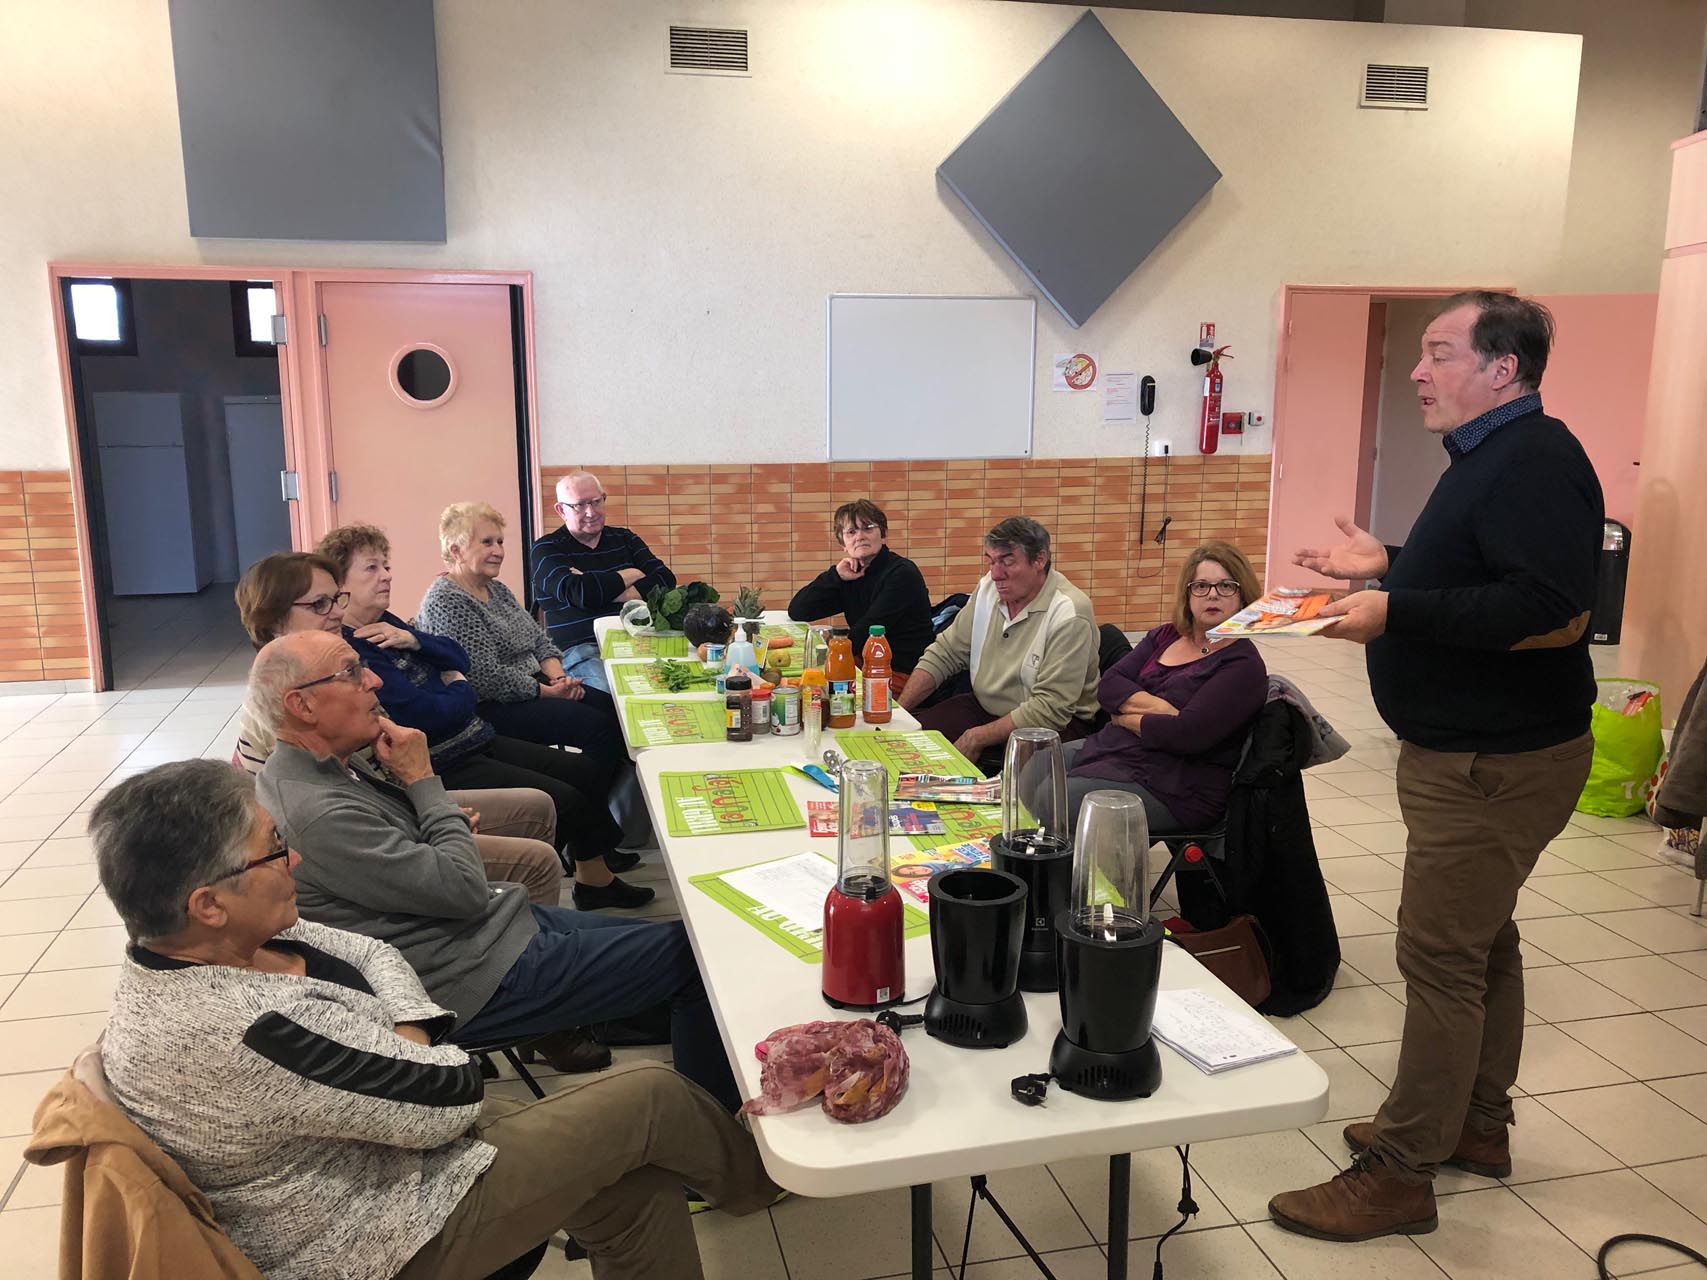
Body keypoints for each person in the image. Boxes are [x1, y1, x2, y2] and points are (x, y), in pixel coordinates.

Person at [90, 758, 777, 1280]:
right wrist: (417, 1052)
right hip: (378, 1235)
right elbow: (448, 1098)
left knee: (635, 1183)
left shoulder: (226, 943)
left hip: (385, 1156)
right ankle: (770, 1176)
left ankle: (733, 1172)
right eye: (274, 851)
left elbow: (372, 951)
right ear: (208, 903)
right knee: (651, 1097)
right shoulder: (236, 1028)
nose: (293, 859)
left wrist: (405, 1040)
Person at [1269, 292, 1602, 1241]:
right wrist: (1395, 566)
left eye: (1438, 353)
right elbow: (1493, 573)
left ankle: (1401, 1173)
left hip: (1493, 762)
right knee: (1482, 942)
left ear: (1503, 367)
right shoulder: (1495, 455)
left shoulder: (1533, 458)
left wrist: (1397, 611)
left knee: (1439, 957)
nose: (1418, 371)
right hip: (1474, 752)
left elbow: (1551, 608)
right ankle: (1476, 1127)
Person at [251, 632, 730, 1099]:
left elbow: (408, 854)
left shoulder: (319, 766)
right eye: (353, 673)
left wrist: (439, 819)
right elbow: (462, 888)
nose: (375, 682)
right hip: (469, 975)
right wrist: (423, 781)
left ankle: (647, 1020)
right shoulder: (316, 810)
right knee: (701, 963)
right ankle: (714, 1137)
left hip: (489, 930)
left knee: (692, 943)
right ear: (303, 706)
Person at [317, 523, 650, 909]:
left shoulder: (389, 623)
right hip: (449, 753)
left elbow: (456, 657)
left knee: (586, 767)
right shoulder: (359, 647)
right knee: (567, 794)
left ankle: (595, 878)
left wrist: (416, 640)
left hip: (474, 734)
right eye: (372, 568)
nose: (388, 575)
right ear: (340, 587)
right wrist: (460, 688)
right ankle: (533, 889)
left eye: (386, 566)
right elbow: (433, 709)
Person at [233, 551, 566, 910]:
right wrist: (436, 817)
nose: (336, 612)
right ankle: (513, 944)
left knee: (539, 805)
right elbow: (332, 823)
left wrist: (431, 811)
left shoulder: (347, 651)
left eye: (337, 598)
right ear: (274, 621)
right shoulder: (282, 702)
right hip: (366, 834)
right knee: (537, 860)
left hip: (393, 805)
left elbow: (375, 777)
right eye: (319, 604)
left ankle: (530, 922)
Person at [1063, 542, 1267, 834]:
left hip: (1180, 786)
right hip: (1125, 751)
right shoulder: (1166, 634)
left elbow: (1185, 735)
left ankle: (1070, 876)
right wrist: (1160, 712)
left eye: (1226, 586)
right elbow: (1108, 685)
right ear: (1187, 593)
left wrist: (1124, 717)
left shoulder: (1242, 665)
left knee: (1054, 800)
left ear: (1243, 594)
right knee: (1031, 767)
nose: (1212, 594)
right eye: (1201, 586)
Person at [897, 516, 1100, 770]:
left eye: (1007, 561)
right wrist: (898, 712)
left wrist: (978, 736)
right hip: (984, 707)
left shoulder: (1070, 612)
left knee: (1016, 785)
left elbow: (1050, 709)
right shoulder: (987, 590)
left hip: (1051, 727)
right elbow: (945, 653)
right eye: (991, 561)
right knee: (911, 744)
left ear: (1040, 560)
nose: (995, 574)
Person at [531, 471, 676, 693]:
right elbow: (581, 593)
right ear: (561, 510)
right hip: (583, 651)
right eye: (579, 505)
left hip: (641, 643)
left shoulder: (625, 539)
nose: (591, 512)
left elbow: (665, 580)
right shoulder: (546, 549)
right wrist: (633, 573)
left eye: (596, 502)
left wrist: (599, 588)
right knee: (617, 694)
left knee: (674, 688)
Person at [787, 498, 935, 682]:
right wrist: (835, 575)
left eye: (868, 528)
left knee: (819, 688)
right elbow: (798, 610)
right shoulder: (851, 574)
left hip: (902, 671)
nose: (860, 536)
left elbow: (867, 631)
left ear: (883, 535)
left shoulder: (902, 573)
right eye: (851, 532)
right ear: (843, 544)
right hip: (866, 661)